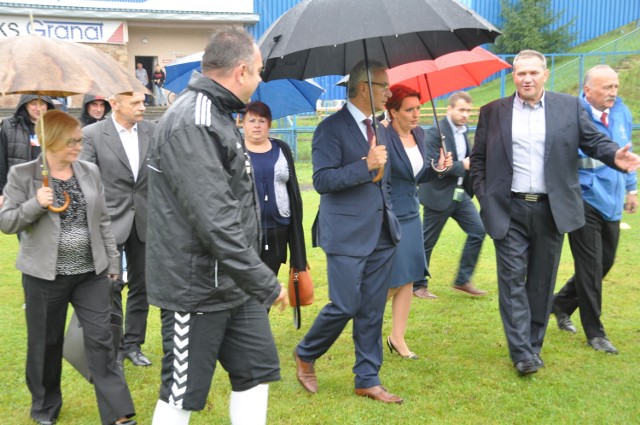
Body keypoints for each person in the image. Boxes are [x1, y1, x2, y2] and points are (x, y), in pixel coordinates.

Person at [146, 27, 287, 425]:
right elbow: (216, 221)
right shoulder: (194, 121)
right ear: (241, 70)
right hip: (196, 289)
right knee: (181, 394)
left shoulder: (220, 116)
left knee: (256, 373)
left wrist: (249, 280)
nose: (260, 79)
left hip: (233, 285)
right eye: (258, 71)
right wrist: (263, 281)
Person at [470, 49, 640, 376]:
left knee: (540, 283)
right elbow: (478, 159)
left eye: (534, 72)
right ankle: (521, 352)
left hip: (551, 210)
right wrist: (485, 195)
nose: (527, 78)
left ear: (545, 75)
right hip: (509, 208)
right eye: (521, 73)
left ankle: (533, 346)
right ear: (514, 76)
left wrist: (613, 156)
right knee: (511, 280)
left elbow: (592, 141)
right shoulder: (493, 111)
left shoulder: (568, 106)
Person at [0, 110, 136, 425]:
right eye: (70, 142)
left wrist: (112, 262)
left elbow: (102, 220)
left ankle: (117, 413)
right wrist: (36, 203)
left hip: (91, 274)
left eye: (79, 141)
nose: (77, 147)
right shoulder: (24, 175)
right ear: (50, 140)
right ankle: (45, 407)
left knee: (102, 342)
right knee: (46, 343)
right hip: (45, 278)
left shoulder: (88, 171)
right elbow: (7, 222)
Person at [293, 60, 403, 404]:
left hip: (381, 232)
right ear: (364, 88)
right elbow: (322, 181)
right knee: (344, 304)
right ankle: (306, 352)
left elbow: (384, 180)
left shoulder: (381, 129)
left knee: (371, 307)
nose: (389, 91)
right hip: (345, 233)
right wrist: (364, 166)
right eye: (383, 86)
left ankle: (367, 378)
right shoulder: (330, 128)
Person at [552, 64, 637, 354]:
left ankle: (560, 304)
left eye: (615, 86)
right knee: (589, 268)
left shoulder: (622, 111)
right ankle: (595, 333)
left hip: (611, 203)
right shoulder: (573, 116)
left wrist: (631, 189)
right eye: (606, 88)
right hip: (583, 200)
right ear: (588, 90)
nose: (613, 92)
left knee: (606, 263)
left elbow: (627, 151)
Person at [81, 92, 156, 367]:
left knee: (143, 285)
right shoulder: (93, 134)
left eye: (143, 101)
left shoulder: (152, 130)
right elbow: (86, 178)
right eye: (135, 103)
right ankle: (113, 347)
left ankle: (133, 344)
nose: (142, 107)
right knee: (110, 285)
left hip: (146, 220)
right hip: (109, 221)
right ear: (115, 103)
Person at [384, 85, 451, 359]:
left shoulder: (420, 134)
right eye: (409, 109)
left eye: (418, 108)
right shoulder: (382, 138)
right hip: (389, 216)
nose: (416, 115)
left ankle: (397, 338)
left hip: (413, 213)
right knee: (392, 280)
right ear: (393, 112)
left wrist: (437, 169)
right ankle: (364, 317)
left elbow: (417, 176)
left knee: (410, 277)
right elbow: (382, 181)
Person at [413, 92, 487, 299]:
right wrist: (460, 165)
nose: (465, 115)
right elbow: (430, 165)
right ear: (449, 110)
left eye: (468, 111)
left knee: (478, 231)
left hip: (459, 194)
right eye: (461, 110)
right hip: (437, 195)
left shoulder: (463, 132)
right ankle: (418, 285)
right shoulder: (435, 132)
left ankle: (463, 280)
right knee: (427, 241)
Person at [242, 101, 307, 277]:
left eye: (262, 121)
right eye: (251, 120)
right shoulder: (235, 151)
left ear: (269, 124)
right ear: (242, 123)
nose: (257, 125)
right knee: (246, 288)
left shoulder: (282, 148)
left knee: (269, 286)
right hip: (245, 233)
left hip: (278, 230)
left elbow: (292, 190)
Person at [0, 95, 55, 208]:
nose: (38, 108)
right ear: (25, 104)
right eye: (34, 103)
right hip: (18, 190)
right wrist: (1, 192)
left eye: (42, 103)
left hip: (47, 190)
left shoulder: (55, 127)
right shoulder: (9, 126)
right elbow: (1, 161)